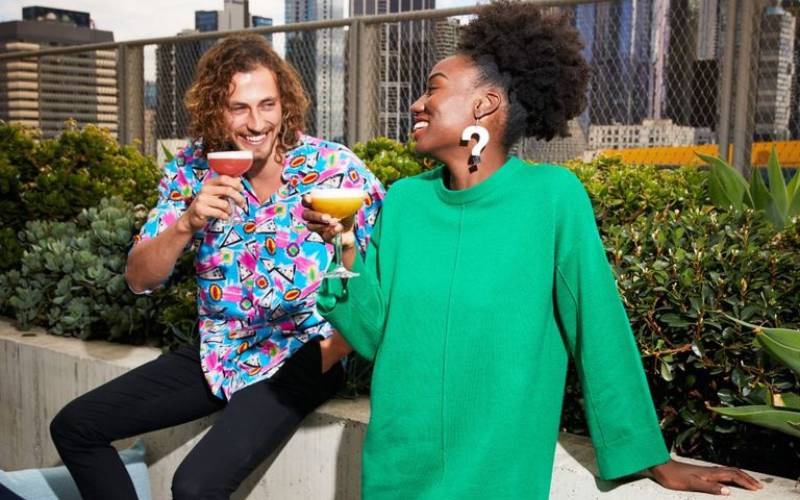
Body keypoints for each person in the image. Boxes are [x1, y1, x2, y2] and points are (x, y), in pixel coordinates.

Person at [302, 2, 763, 499]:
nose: (417, 103)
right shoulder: (407, 202)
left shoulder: (552, 198)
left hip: (497, 476)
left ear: (486, 104)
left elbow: (597, 326)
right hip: (396, 469)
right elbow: (373, 335)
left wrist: (647, 455)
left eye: (433, 87)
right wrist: (343, 243)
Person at [49, 34, 384, 500]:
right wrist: (186, 222)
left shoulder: (332, 168)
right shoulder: (192, 170)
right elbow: (139, 278)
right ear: (214, 111)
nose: (255, 123)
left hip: (300, 351)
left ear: (285, 104)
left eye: (267, 104)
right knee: (76, 427)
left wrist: (333, 351)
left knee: (195, 485)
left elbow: (379, 277)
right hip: (219, 351)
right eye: (238, 108)